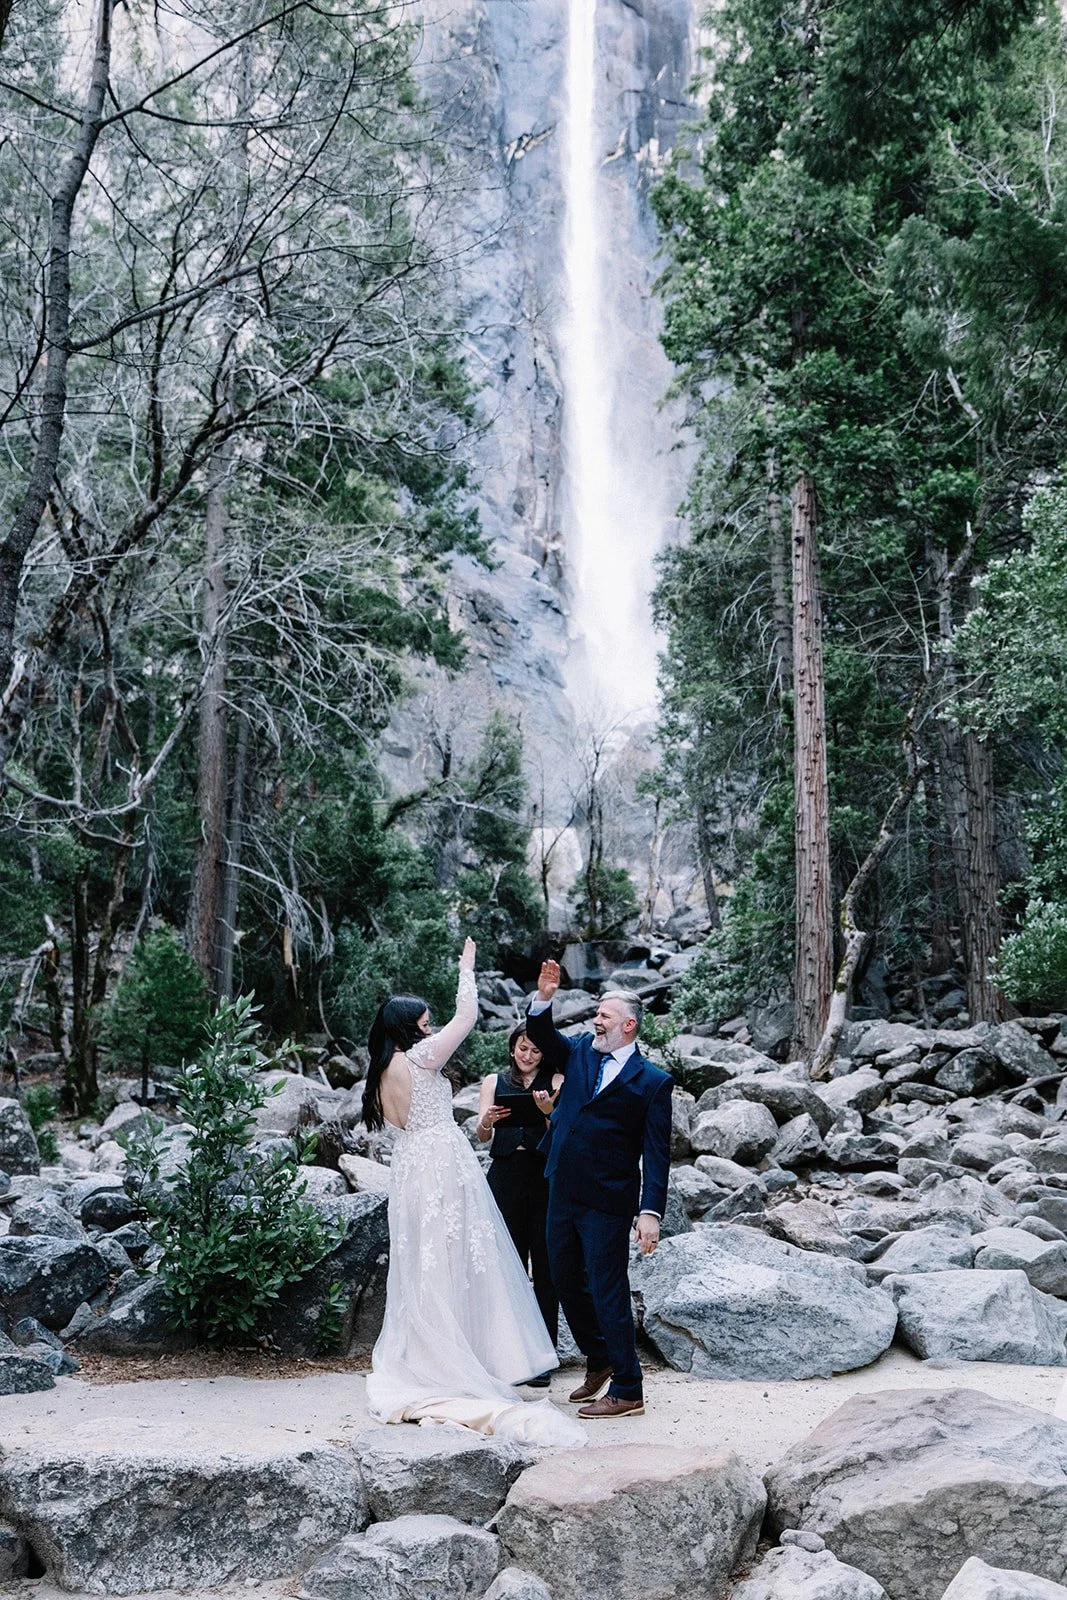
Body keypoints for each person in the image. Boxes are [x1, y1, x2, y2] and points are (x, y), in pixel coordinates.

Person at [363, 939, 585, 1447]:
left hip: (409, 1167)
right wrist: (466, 968)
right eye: (423, 1023)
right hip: (441, 1160)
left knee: (424, 1260)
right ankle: (467, 1356)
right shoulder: (420, 1058)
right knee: (462, 1255)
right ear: (408, 1028)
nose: (429, 1029)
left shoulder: (379, 1070)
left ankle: (428, 1353)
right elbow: (466, 1017)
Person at [525, 958, 672, 1420]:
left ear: (628, 1025)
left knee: (608, 1289)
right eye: (596, 1014)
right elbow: (542, 1034)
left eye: (605, 1015)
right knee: (563, 1279)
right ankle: (600, 1356)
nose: (596, 1020)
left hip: (609, 1200)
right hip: (562, 1187)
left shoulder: (653, 1083)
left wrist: (650, 1212)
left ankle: (628, 1389)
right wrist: (543, 998)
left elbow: (657, 1153)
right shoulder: (580, 1052)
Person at [476, 1024, 565, 1382]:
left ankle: (544, 1356)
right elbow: (482, 1135)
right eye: (522, 1048)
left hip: (543, 1176)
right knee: (506, 1264)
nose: (528, 1056)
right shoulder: (493, 1081)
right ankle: (509, 1355)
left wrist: (548, 1112)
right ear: (512, 1048)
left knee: (545, 1265)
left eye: (535, 1051)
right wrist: (486, 1121)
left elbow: (563, 1130)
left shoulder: (557, 1080)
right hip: (505, 1175)